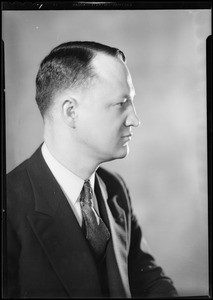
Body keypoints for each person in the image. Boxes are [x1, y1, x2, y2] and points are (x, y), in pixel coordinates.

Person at [6, 41, 178, 298]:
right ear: (71, 112)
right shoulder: (9, 204)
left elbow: (149, 281)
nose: (135, 119)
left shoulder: (114, 188)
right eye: (121, 104)